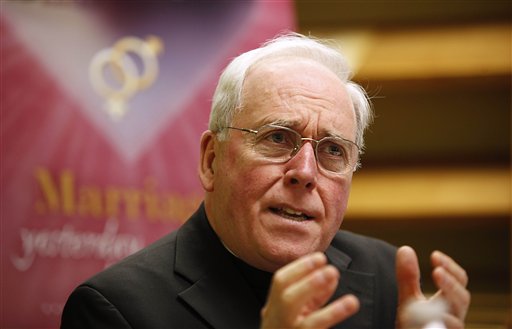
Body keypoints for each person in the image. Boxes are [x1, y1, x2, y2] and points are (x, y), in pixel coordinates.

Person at [61, 32, 470, 329]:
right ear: (211, 160)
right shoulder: (115, 310)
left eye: (332, 151)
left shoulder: (388, 277)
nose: (306, 173)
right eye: (277, 138)